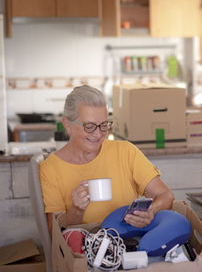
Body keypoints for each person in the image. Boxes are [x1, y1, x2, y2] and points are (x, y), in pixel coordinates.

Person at [40, 85, 174, 232]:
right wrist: (77, 209)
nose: (98, 134)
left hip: (129, 245)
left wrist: (151, 212)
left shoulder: (126, 152)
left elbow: (165, 195)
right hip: (84, 251)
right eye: (89, 126)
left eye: (104, 125)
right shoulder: (50, 168)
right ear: (67, 125)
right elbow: (55, 232)